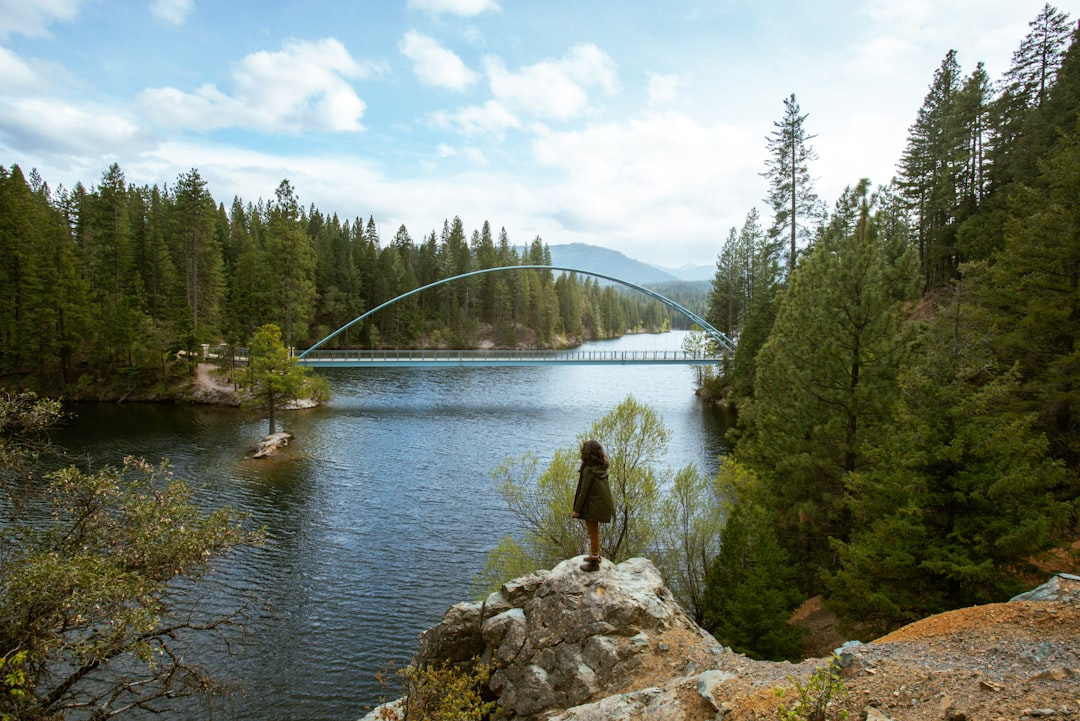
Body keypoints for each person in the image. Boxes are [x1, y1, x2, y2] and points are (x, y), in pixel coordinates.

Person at [571, 439, 614, 572]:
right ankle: (596, 555)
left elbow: (583, 491)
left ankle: (594, 562)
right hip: (601, 505)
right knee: (594, 532)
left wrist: (577, 510)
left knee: (592, 532)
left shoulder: (589, 470)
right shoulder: (602, 468)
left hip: (593, 506)